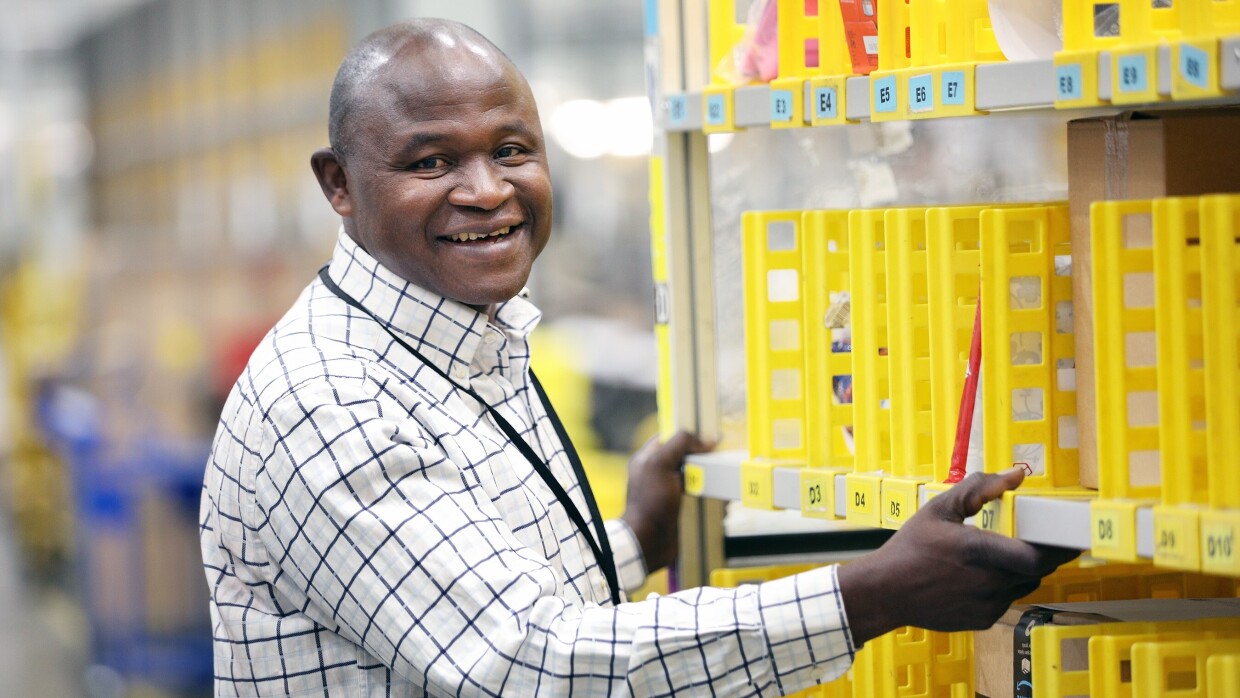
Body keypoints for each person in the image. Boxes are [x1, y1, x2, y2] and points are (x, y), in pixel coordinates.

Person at [200, 18, 1078, 696]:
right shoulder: (327, 398)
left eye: (510, 151)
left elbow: (455, 599)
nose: (486, 191)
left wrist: (632, 545)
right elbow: (524, 664)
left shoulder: (457, 340)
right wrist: (866, 597)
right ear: (340, 184)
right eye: (431, 162)